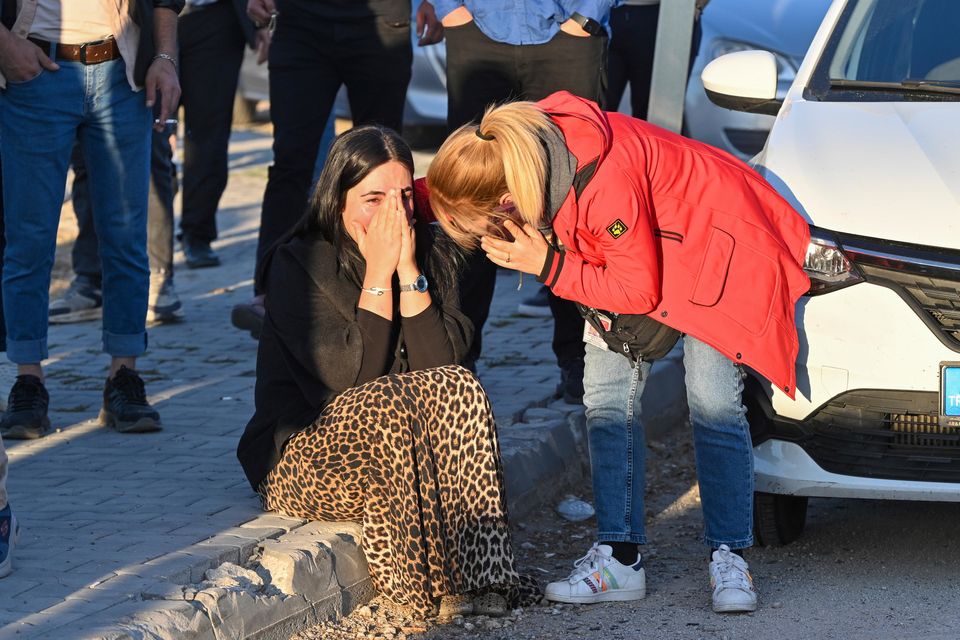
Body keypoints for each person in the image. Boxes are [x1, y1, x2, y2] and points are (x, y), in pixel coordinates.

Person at [425, 91, 811, 613]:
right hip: (643, 248)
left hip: (716, 251)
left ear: (507, 202)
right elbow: (446, 192)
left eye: (486, 226)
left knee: (713, 404)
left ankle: (729, 557)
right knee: (607, 401)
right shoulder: (512, 150)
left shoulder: (600, 181)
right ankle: (619, 560)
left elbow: (638, 292)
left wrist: (546, 265)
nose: (489, 238)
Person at [237, 125, 535, 615]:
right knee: (388, 401)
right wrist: (377, 274)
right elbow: (349, 385)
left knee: (460, 383)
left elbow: (445, 372)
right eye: (373, 198)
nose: (394, 213)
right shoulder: (299, 263)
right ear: (338, 201)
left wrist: (407, 272)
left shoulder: (432, 252)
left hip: (403, 452)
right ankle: (420, 590)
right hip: (303, 458)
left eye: (402, 196)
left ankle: (486, 581)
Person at [0, 0, 183, 438]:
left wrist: (164, 58)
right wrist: (4, 43)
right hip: (33, 70)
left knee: (125, 235)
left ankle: (124, 375)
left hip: (121, 73)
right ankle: (29, 379)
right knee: (29, 238)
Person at [432, 0, 617, 398]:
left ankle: (578, 362)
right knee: (471, 199)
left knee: (572, 200)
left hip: (568, 33)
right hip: (477, 29)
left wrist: (586, 17)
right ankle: (458, 364)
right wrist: (450, 9)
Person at [230, 0, 442, 339]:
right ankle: (272, 292)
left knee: (384, 166)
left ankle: (394, 287)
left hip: (382, 19)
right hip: (300, 22)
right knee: (290, 163)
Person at [50, 129, 184, 325]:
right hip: (77, 98)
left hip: (141, 100)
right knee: (85, 160)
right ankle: (92, 283)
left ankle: (157, 279)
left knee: (149, 156)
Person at [177, 0, 265, 269]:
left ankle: (197, 233)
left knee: (209, 135)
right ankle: (143, 237)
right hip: (150, 20)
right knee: (149, 134)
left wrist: (263, 21)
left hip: (217, 17)